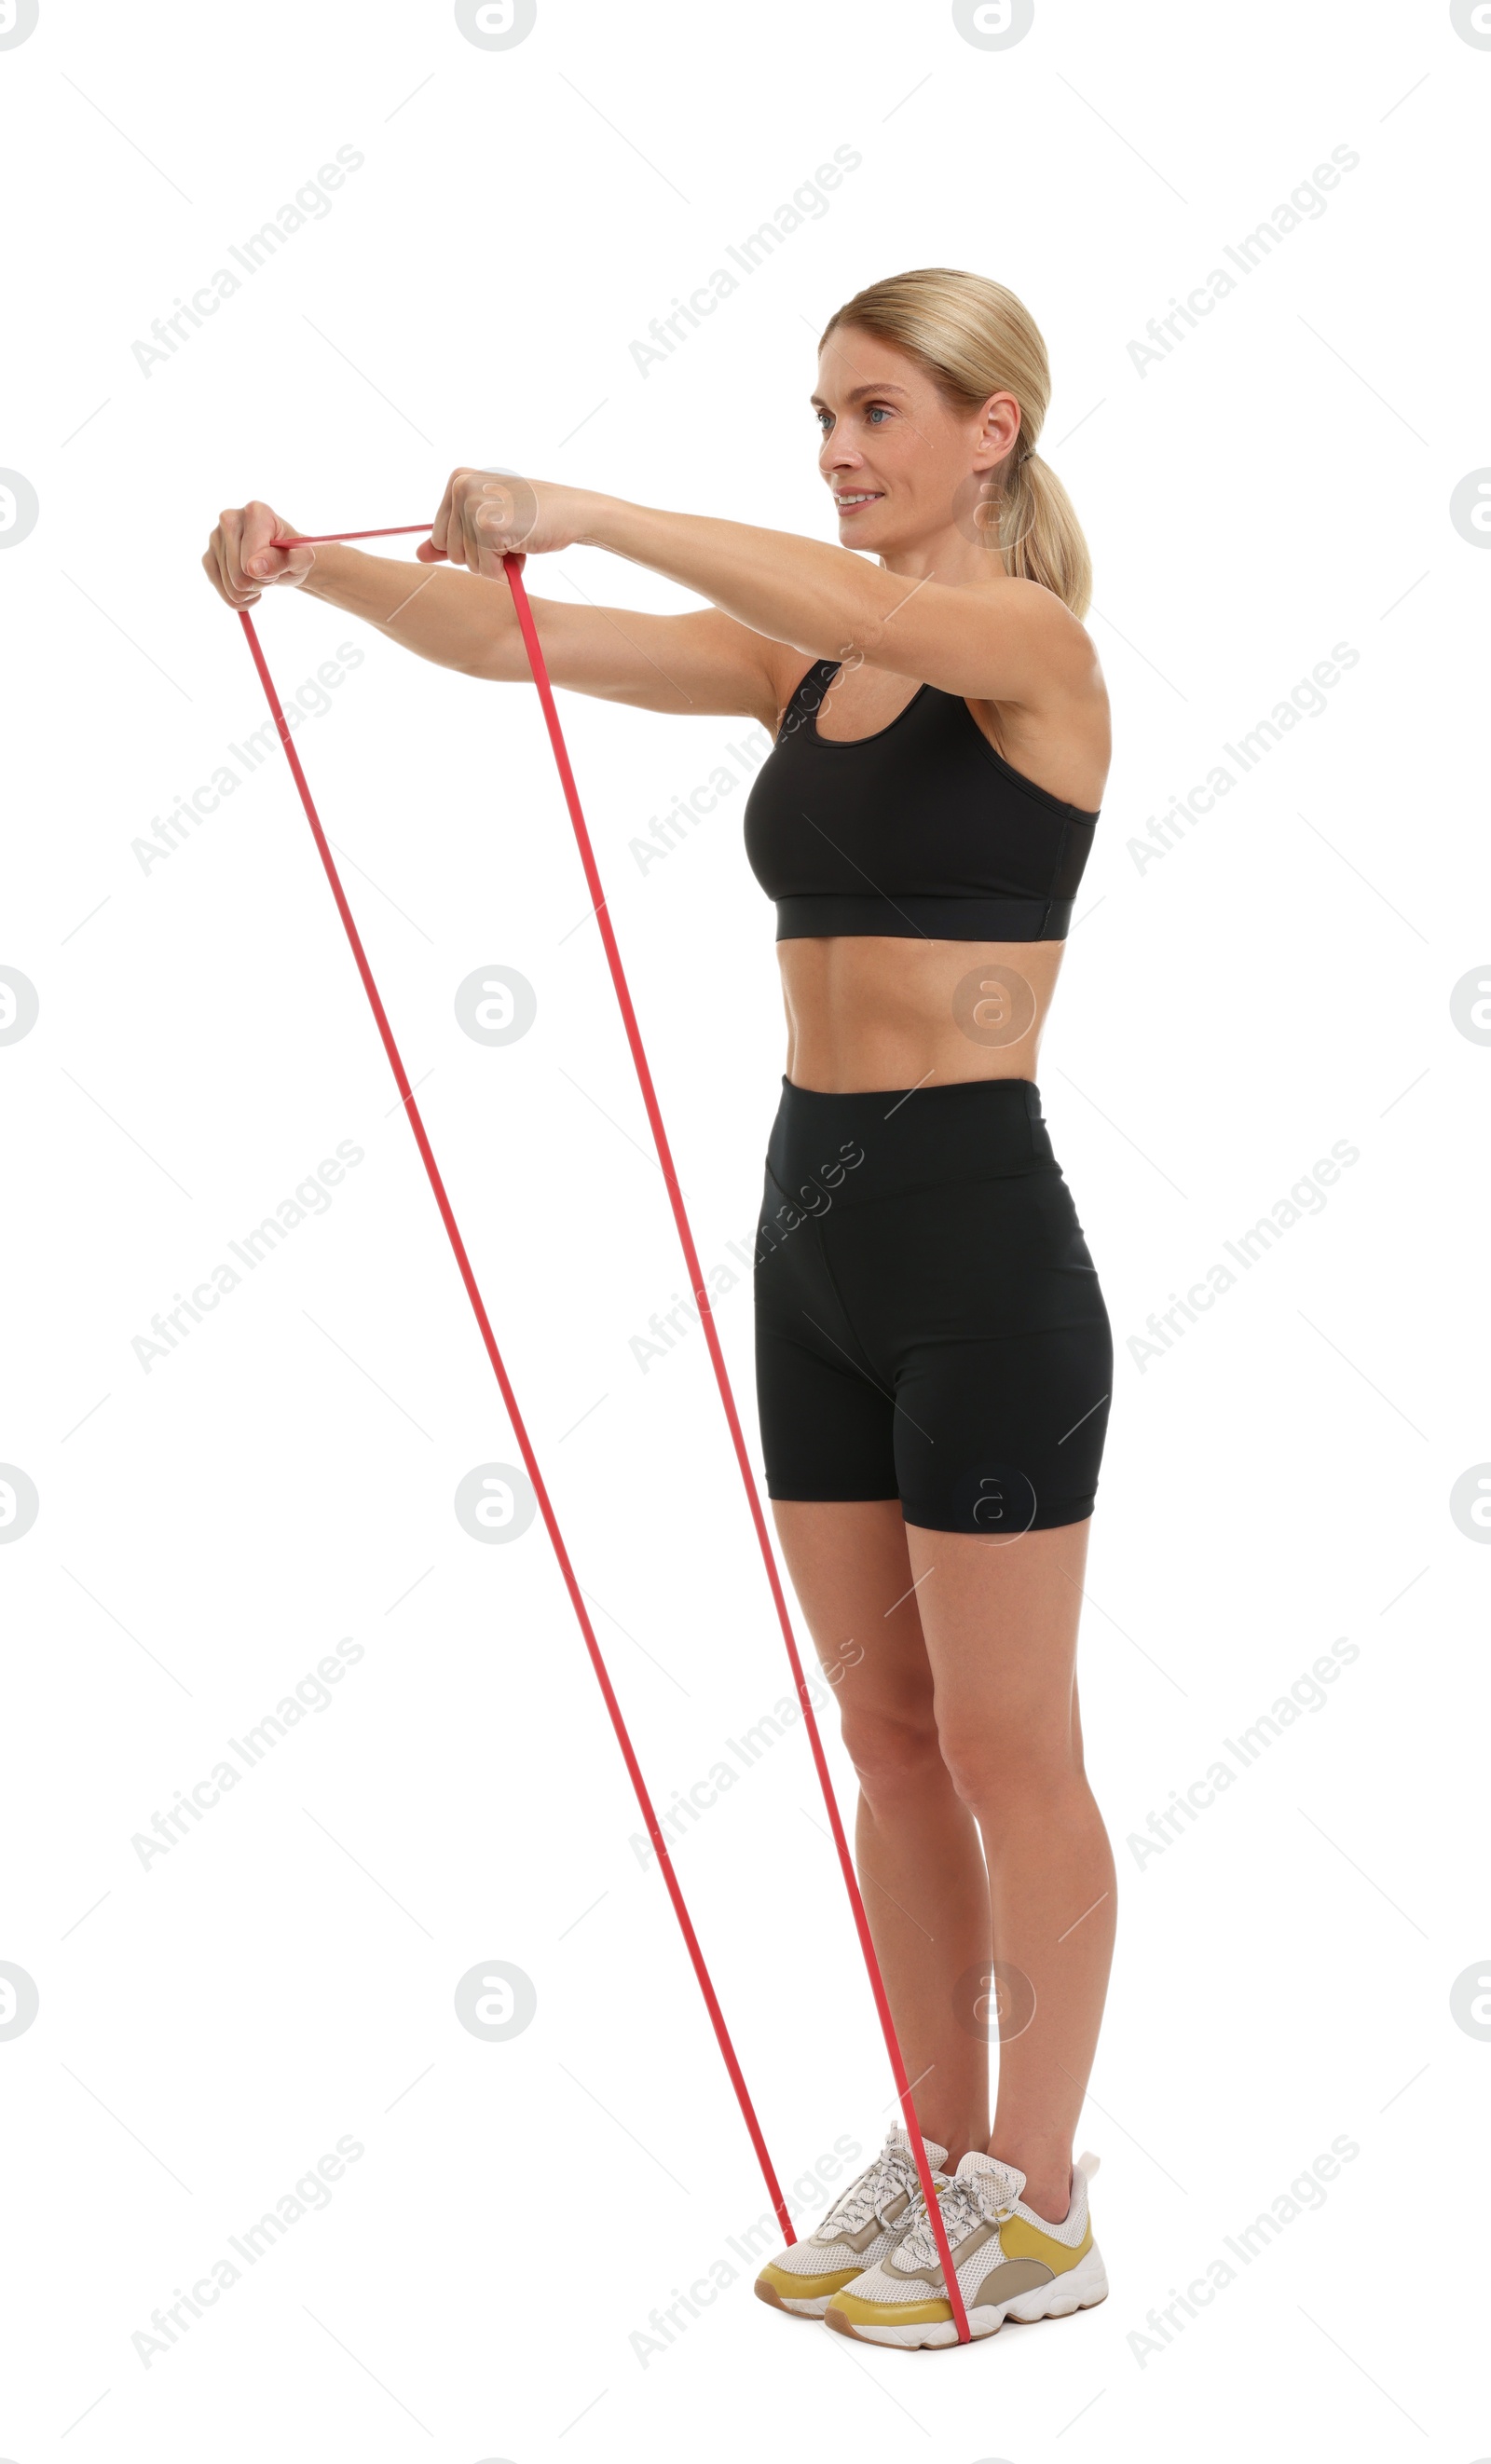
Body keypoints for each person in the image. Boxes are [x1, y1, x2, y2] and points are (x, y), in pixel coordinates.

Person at [203, 267, 1116, 2351]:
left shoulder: (1021, 649)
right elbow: (502, 636)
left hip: (980, 1246)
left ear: (990, 433)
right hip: (812, 1239)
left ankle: (1038, 2201)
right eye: (819, 418)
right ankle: (932, 2148)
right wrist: (308, 573)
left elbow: (851, 604)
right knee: (888, 1744)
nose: (836, 450)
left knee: (1002, 1739)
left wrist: (586, 499)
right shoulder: (796, 665)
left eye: (877, 413)